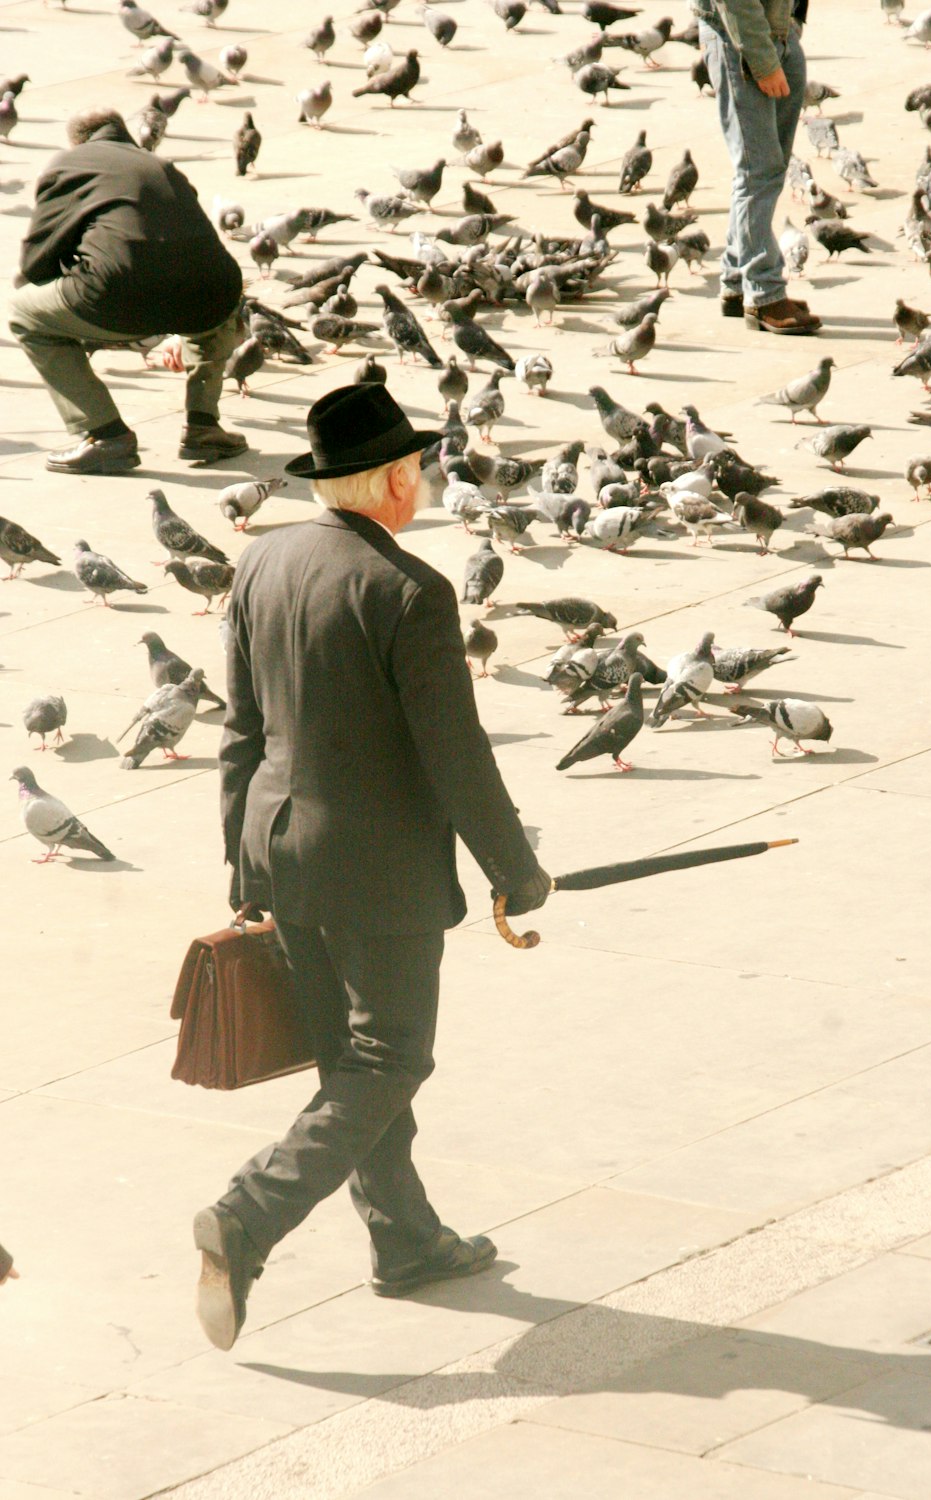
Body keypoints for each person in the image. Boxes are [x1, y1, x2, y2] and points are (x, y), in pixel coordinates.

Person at [197, 384, 550, 1352]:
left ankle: (405, 1241)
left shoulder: (263, 558)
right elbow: (455, 752)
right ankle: (249, 1213)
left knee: (353, 1065)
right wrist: (514, 869)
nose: (427, 482)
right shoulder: (409, 591)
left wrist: (242, 860)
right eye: (422, 469)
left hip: (278, 846)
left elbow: (240, 728)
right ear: (393, 479)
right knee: (390, 1059)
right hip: (374, 867)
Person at [10, 108, 247, 475]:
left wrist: (75, 313)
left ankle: (106, 435)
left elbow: (36, 260)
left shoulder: (71, 163)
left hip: (122, 295)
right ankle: (203, 426)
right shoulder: (163, 166)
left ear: (79, 141)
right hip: (212, 291)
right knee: (216, 306)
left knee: (23, 314)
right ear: (126, 136)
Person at [693, 0, 822, 334]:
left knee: (767, 169)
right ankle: (763, 293)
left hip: (777, 30)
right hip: (740, 39)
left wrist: (792, 25)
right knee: (758, 171)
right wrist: (763, 60)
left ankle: (738, 281)